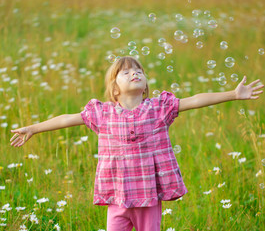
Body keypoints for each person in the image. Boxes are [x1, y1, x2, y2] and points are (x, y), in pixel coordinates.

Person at [10, 56, 264, 231]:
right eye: (126, 71)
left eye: (139, 71)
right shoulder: (102, 113)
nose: (135, 73)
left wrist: (233, 94)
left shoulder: (158, 108)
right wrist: (33, 128)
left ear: (144, 87)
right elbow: (67, 118)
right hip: (117, 198)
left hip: (149, 196)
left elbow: (195, 99)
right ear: (115, 89)